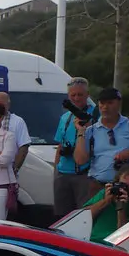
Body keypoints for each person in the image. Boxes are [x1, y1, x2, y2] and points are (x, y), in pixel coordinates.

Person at [72, 87, 129, 198]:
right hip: (98, 186)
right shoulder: (91, 130)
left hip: (127, 188)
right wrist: (80, 132)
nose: (105, 107)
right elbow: (80, 160)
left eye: (110, 103)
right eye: (102, 103)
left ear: (119, 103)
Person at [53, 77, 99, 216]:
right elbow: (60, 145)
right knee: (61, 217)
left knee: (83, 216)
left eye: (80, 94)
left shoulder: (97, 115)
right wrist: (56, 171)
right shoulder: (65, 117)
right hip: (63, 173)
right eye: (73, 95)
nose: (76, 98)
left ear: (87, 95)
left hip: (84, 174)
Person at [81, 165, 129, 244]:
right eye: (123, 185)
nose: (127, 189)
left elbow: (126, 240)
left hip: (117, 248)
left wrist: (121, 209)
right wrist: (105, 201)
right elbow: (81, 218)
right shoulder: (105, 194)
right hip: (93, 243)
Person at [0, 92, 32, 176]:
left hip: (7, 172)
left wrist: (15, 170)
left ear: (8, 105)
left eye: (0, 104)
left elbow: (23, 147)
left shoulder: (17, 122)